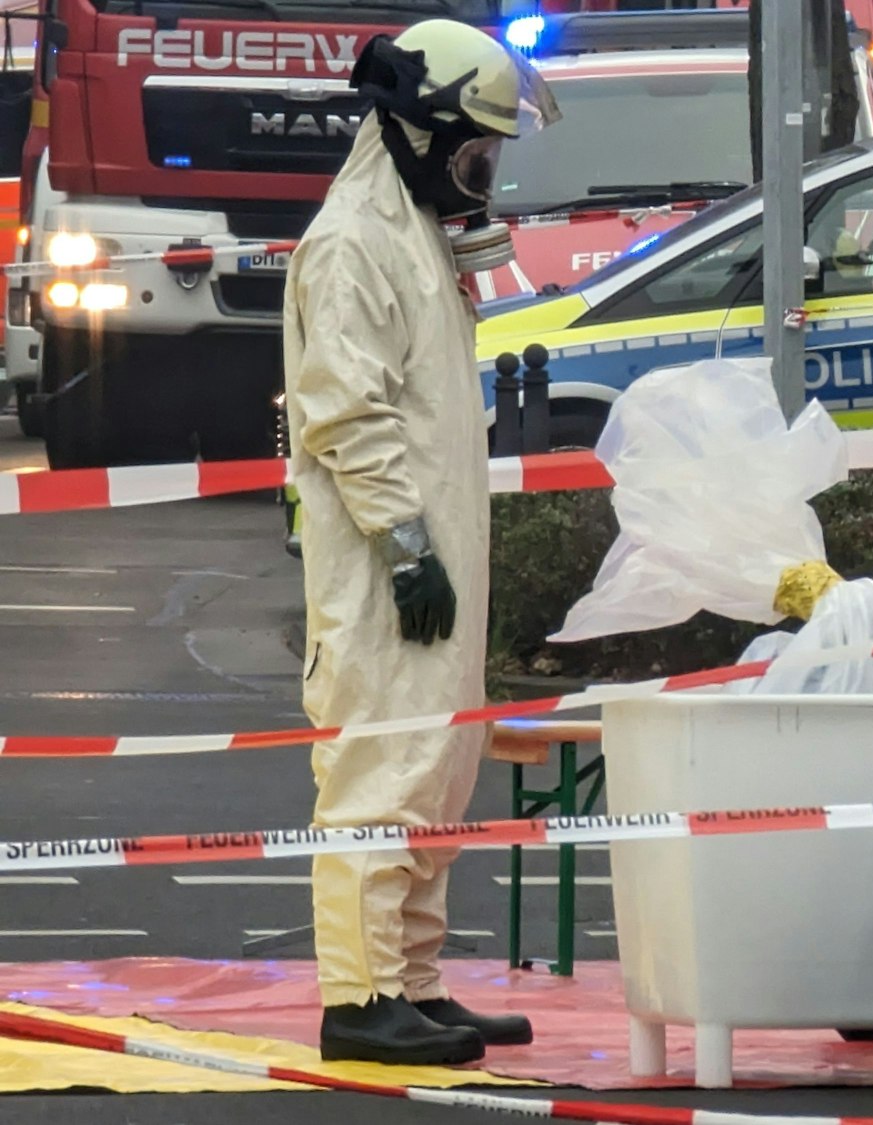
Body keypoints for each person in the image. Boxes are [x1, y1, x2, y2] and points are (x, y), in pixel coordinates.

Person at [284, 19, 559, 1067]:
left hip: (432, 560)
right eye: (475, 153)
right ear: (417, 134)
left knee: (437, 772)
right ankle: (359, 1000)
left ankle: (413, 984)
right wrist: (404, 546)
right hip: (385, 571)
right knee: (381, 772)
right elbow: (346, 415)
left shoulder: (412, 230)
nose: (483, 174)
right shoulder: (355, 241)